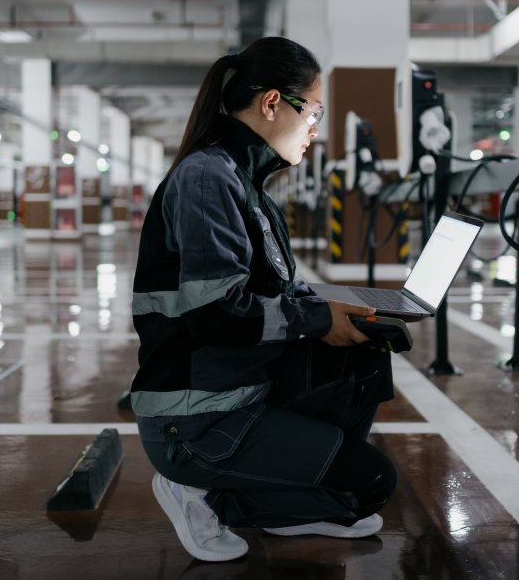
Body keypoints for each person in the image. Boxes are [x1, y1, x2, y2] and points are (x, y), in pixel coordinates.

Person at [130, 37, 397, 563]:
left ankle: (281, 504)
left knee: (365, 352)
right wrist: (318, 319)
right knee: (366, 485)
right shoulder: (208, 178)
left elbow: (276, 288)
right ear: (272, 103)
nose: (316, 127)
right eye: (313, 110)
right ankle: (201, 489)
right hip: (196, 420)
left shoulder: (243, 181)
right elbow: (215, 316)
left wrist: (335, 307)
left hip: (239, 392)